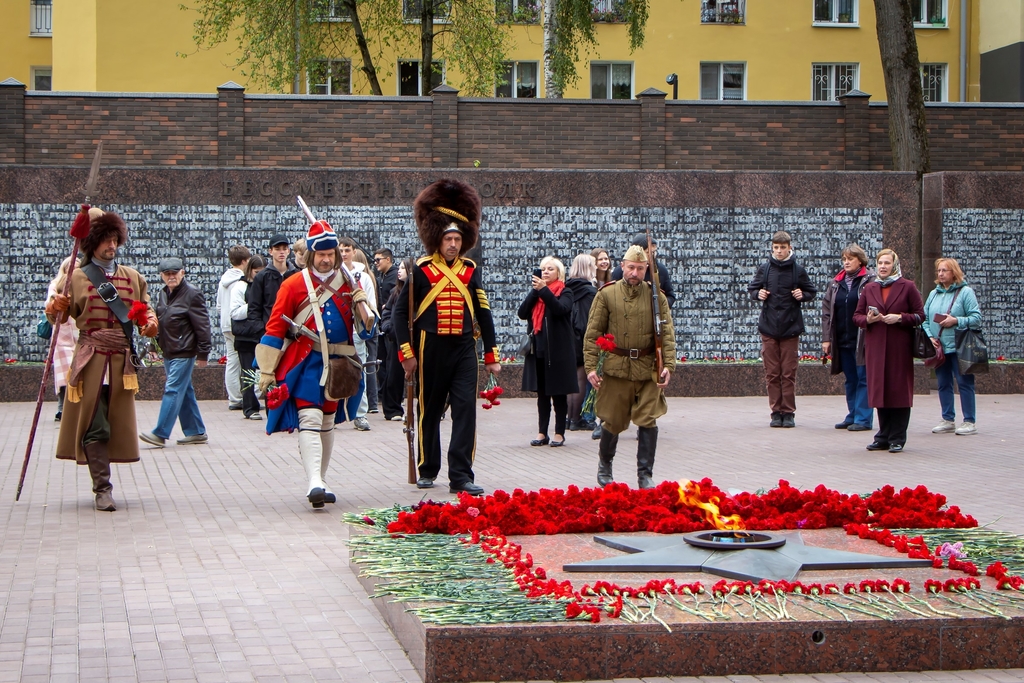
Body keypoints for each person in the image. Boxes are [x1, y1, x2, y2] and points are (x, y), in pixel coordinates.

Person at [255, 220, 375, 508]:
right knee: (309, 418)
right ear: (311, 254)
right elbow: (275, 328)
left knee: (327, 421)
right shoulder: (293, 284)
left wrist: (363, 305)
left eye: (330, 254)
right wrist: (267, 370)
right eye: (320, 254)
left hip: (339, 363)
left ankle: (321, 479)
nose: (326, 259)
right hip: (306, 361)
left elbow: (367, 332)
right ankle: (314, 483)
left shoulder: (350, 282)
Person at [46, 207, 159, 511]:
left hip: (121, 363)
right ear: (92, 242)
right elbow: (58, 317)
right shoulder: (76, 278)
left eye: (114, 240)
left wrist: (150, 323)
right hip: (90, 360)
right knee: (95, 424)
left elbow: (145, 310)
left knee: (114, 422)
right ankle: (102, 488)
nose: (111, 246)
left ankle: (104, 483)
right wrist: (56, 307)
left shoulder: (133, 277)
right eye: (105, 240)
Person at [393, 179, 501, 495]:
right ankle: (427, 468)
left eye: (457, 239)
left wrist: (491, 353)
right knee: (429, 409)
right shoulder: (421, 270)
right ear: (437, 240)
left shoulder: (470, 270)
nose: (453, 244)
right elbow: (400, 315)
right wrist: (406, 354)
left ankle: (461, 475)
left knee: (466, 410)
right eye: (447, 239)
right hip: (431, 347)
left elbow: (483, 312)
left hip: (464, 348)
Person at [585, 245, 676, 490]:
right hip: (617, 367)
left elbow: (667, 333)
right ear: (622, 266)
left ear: (647, 269)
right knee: (612, 419)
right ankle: (605, 468)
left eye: (640, 268)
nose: (635, 273)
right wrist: (591, 367)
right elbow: (593, 333)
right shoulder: (606, 294)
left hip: (647, 367)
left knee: (648, 419)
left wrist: (668, 364)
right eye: (631, 267)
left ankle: (645, 475)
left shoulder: (657, 296)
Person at [853, 249, 925, 453]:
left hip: (898, 347)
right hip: (876, 347)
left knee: (898, 391)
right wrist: (868, 319)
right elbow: (857, 316)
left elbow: (920, 315)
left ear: (895, 265)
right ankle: (883, 436)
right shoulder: (870, 288)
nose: (883, 267)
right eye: (880, 263)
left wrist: (900, 318)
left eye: (887, 263)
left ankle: (897, 437)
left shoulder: (907, 286)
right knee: (880, 390)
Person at [139, 258, 213, 448]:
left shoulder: (192, 294)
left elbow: (203, 326)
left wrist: (203, 353)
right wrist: (154, 346)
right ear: (162, 276)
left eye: (174, 273)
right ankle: (196, 431)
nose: (171, 276)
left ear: (183, 273)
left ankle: (160, 433)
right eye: (167, 274)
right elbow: (160, 322)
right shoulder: (163, 294)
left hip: (184, 351)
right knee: (184, 391)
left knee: (172, 389)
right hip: (168, 351)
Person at [748, 230, 817, 428]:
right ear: (772, 248)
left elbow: (811, 291)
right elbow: (752, 289)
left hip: (790, 329)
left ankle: (788, 412)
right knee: (772, 373)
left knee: (788, 373)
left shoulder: (798, 270)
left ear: (789, 248)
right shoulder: (765, 269)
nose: (779, 251)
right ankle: (775, 412)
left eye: (782, 247)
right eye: (776, 247)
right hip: (768, 328)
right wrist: (758, 294)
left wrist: (802, 295)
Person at [518, 256, 578, 447]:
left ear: (559, 273)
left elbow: (561, 309)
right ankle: (542, 432)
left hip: (558, 352)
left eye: (550, 269)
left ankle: (559, 433)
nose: (545, 272)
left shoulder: (566, 292)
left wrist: (544, 291)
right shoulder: (537, 293)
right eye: (543, 269)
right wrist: (535, 292)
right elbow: (522, 313)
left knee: (559, 394)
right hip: (538, 350)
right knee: (542, 395)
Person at [924, 257, 983, 436]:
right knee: (943, 383)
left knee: (964, 383)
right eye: (939, 271)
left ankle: (969, 421)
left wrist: (956, 320)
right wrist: (930, 336)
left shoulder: (965, 292)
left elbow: (976, 318)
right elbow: (924, 319)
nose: (941, 274)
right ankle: (948, 419)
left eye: (945, 270)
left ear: (954, 272)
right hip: (940, 347)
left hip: (960, 346)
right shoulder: (934, 294)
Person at [821, 244, 875, 432]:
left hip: (862, 338)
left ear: (860, 260)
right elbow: (827, 312)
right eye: (844, 259)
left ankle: (863, 418)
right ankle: (852, 414)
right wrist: (826, 339)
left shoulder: (870, 281)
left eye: (850, 259)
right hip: (842, 339)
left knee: (863, 378)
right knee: (850, 379)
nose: (846, 262)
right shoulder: (836, 283)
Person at [341, 240, 378, 429]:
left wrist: (366, 324)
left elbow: (371, 305)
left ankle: (360, 414)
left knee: (359, 372)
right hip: (337, 331)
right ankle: (333, 412)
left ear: (354, 252)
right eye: (340, 250)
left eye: (347, 250)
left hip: (356, 331)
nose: (344, 254)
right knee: (334, 371)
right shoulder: (332, 275)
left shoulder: (363, 278)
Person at [244, 233, 299, 350]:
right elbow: (254, 309)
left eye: (284, 249)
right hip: (270, 335)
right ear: (270, 251)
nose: (281, 252)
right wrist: (263, 333)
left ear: (289, 251)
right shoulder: (262, 277)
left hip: (295, 337)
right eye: (277, 249)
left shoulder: (297, 275)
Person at [229, 255, 267, 420]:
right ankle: (250, 408)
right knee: (247, 373)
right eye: (256, 272)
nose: (259, 276)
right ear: (250, 270)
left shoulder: (268, 285)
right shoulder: (240, 287)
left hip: (263, 334)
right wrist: (254, 304)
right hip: (246, 336)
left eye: (262, 272)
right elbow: (235, 313)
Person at [565, 254, 598, 432]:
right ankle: (576, 419)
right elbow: (587, 320)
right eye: (593, 265)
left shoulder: (566, 287)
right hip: (581, 339)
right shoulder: (590, 292)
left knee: (571, 381)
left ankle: (569, 419)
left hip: (567, 338)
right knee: (580, 380)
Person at [45, 257, 80, 422]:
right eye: (71, 267)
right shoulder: (56, 284)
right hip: (62, 335)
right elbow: (50, 303)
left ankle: (77, 408)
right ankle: (61, 407)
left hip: (80, 333)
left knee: (78, 372)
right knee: (63, 373)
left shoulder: (84, 284)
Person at [379, 258, 414, 422]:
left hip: (416, 338)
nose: (399, 271)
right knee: (393, 373)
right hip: (397, 339)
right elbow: (387, 313)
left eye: (402, 268)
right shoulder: (395, 292)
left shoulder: (420, 292)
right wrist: (388, 327)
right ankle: (392, 409)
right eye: (398, 268)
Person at [217, 244, 251, 411]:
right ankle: (247, 396)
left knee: (232, 361)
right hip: (239, 325)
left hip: (226, 324)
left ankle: (234, 398)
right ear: (244, 261)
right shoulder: (241, 281)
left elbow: (218, 305)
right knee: (245, 361)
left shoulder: (223, 280)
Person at [610, 234, 676, 309]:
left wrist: (659, 305)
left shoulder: (661, 270)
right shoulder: (621, 271)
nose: (652, 256)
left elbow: (670, 296)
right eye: (648, 252)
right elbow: (612, 296)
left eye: (654, 252)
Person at [374, 248, 399, 406]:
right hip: (382, 324)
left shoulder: (395, 276)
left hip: (391, 326)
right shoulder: (382, 277)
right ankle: (383, 393)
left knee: (391, 362)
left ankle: (392, 395)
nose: (376, 263)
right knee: (382, 361)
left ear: (388, 259)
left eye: (378, 260)